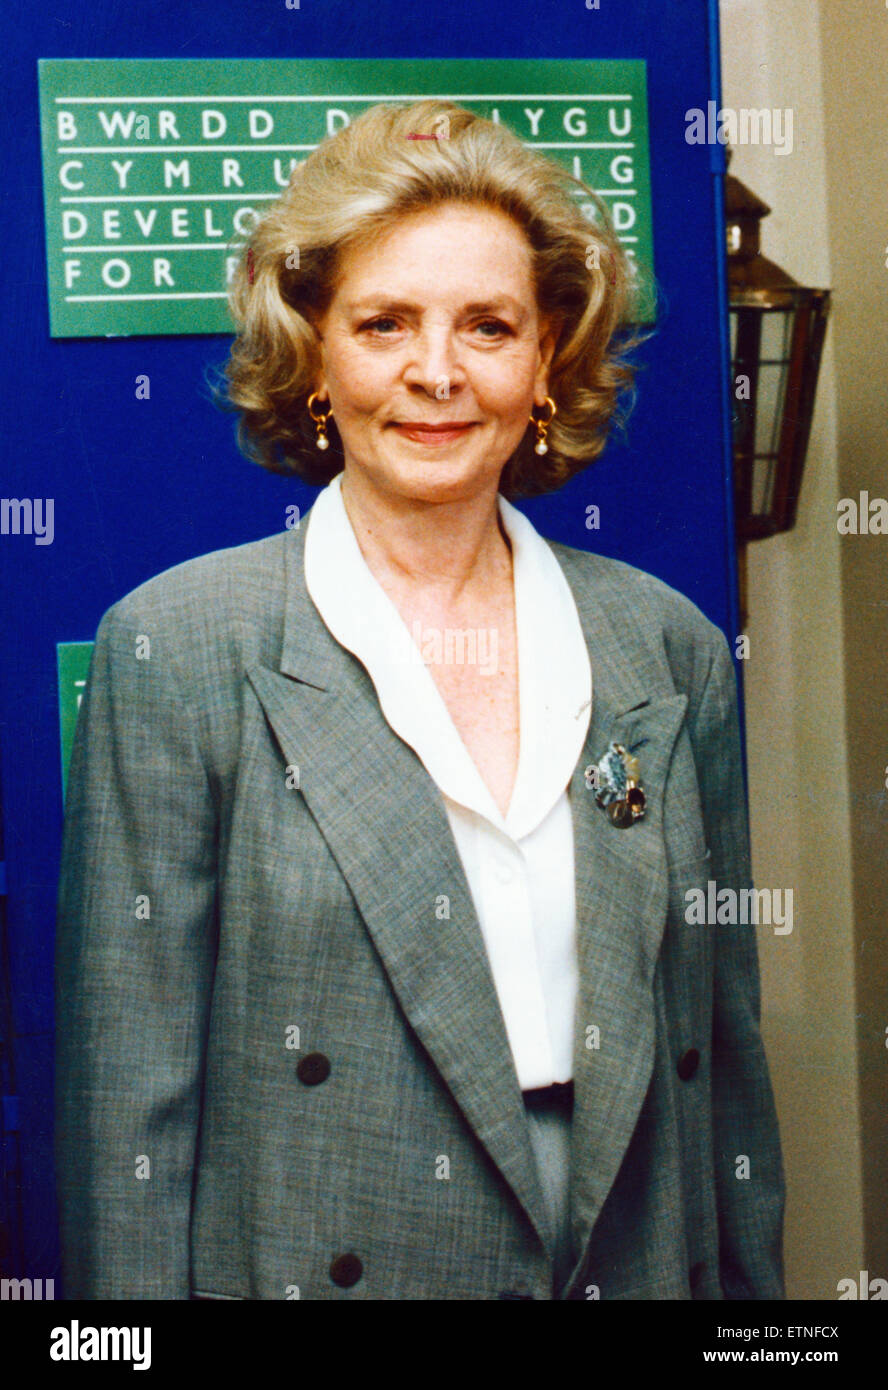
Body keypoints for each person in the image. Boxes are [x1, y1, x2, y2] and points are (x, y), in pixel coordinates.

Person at [55, 99, 785, 1300]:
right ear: (316, 357)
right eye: (384, 322)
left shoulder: (668, 647)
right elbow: (128, 1105)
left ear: (546, 360)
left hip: (630, 1256)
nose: (435, 373)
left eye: (488, 326)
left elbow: (730, 1070)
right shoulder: (180, 648)